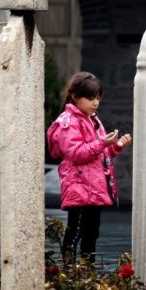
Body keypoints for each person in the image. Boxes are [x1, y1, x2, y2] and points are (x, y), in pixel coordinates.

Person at [47, 71, 132, 264]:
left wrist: (117, 146)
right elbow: (76, 153)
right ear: (76, 97)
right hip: (78, 185)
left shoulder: (92, 118)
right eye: (90, 98)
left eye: (98, 98)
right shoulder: (67, 122)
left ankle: (88, 272)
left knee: (92, 233)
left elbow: (99, 154)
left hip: (94, 187)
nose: (95, 103)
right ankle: (69, 271)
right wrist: (102, 143)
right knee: (75, 231)